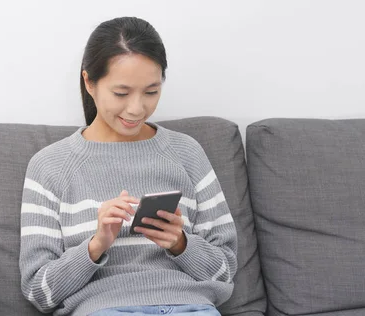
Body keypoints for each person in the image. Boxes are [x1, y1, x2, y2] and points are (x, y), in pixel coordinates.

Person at [19, 16, 237, 316]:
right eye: (121, 93)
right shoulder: (50, 166)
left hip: (192, 308)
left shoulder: (187, 153)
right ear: (89, 83)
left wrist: (181, 244)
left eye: (151, 92)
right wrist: (96, 246)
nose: (137, 109)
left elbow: (225, 274)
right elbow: (38, 291)